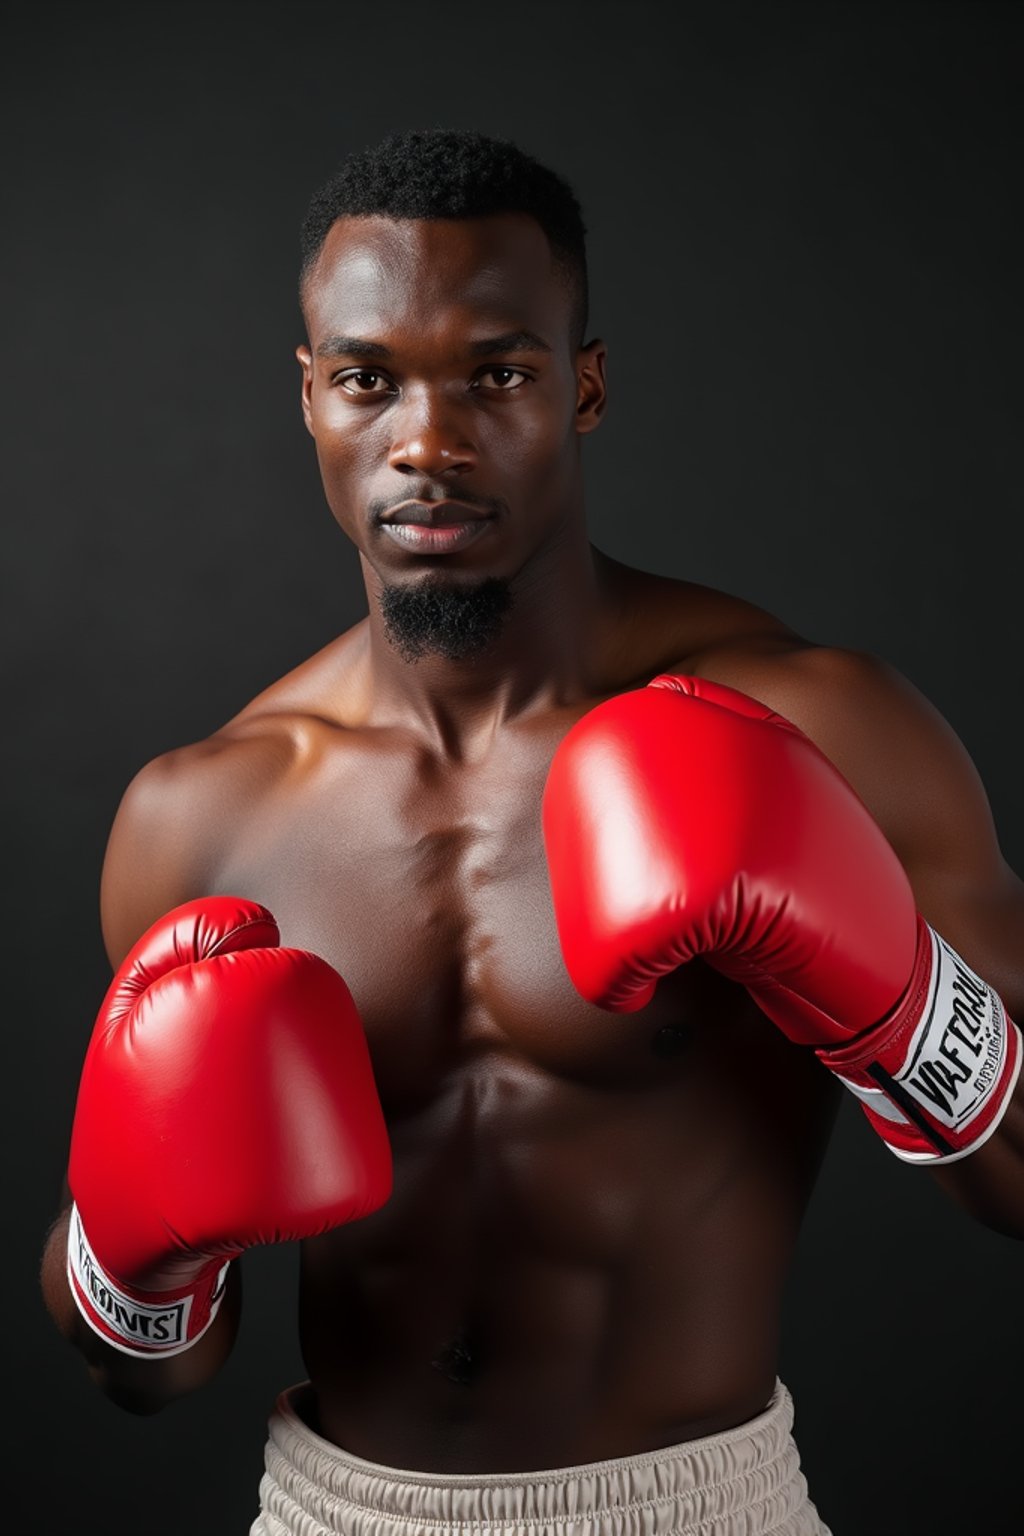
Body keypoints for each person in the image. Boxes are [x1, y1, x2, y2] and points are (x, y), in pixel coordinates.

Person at [41, 128, 1024, 1536]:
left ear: (587, 388)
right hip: (325, 1515)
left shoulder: (816, 722)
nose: (426, 444)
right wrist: (134, 1271)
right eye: (368, 381)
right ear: (311, 398)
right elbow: (147, 1377)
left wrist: (892, 991)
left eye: (495, 373)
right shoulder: (200, 813)